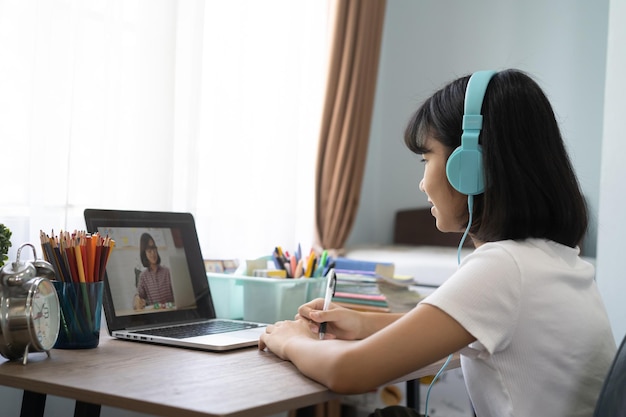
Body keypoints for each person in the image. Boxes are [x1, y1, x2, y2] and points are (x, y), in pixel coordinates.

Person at [258, 69, 616, 417]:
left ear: (470, 167)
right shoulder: (559, 260)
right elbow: (454, 329)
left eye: (426, 158)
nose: (421, 182)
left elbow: (350, 372)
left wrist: (290, 340)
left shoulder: (504, 268)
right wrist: (362, 324)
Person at [133, 232, 175, 310]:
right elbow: (139, 295)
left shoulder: (167, 272)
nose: (153, 253)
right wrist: (137, 299)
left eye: (154, 248)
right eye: (149, 250)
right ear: (144, 254)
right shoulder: (143, 276)